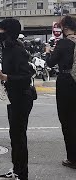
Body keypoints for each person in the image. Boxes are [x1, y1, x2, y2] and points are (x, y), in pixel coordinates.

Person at [0, 18, 35, 180]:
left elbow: (26, 77)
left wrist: (5, 76)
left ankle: (22, 174)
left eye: (1, 29)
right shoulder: (8, 47)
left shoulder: (17, 50)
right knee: (14, 136)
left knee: (19, 137)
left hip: (22, 97)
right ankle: (16, 170)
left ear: (8, 32)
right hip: (13, 96)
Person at [45, 15, 76, 169]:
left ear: (64, 28)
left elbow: (50, 63)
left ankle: (72, 158)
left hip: (66, 82)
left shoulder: (63, 43)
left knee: (67, 120)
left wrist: (48, 52)